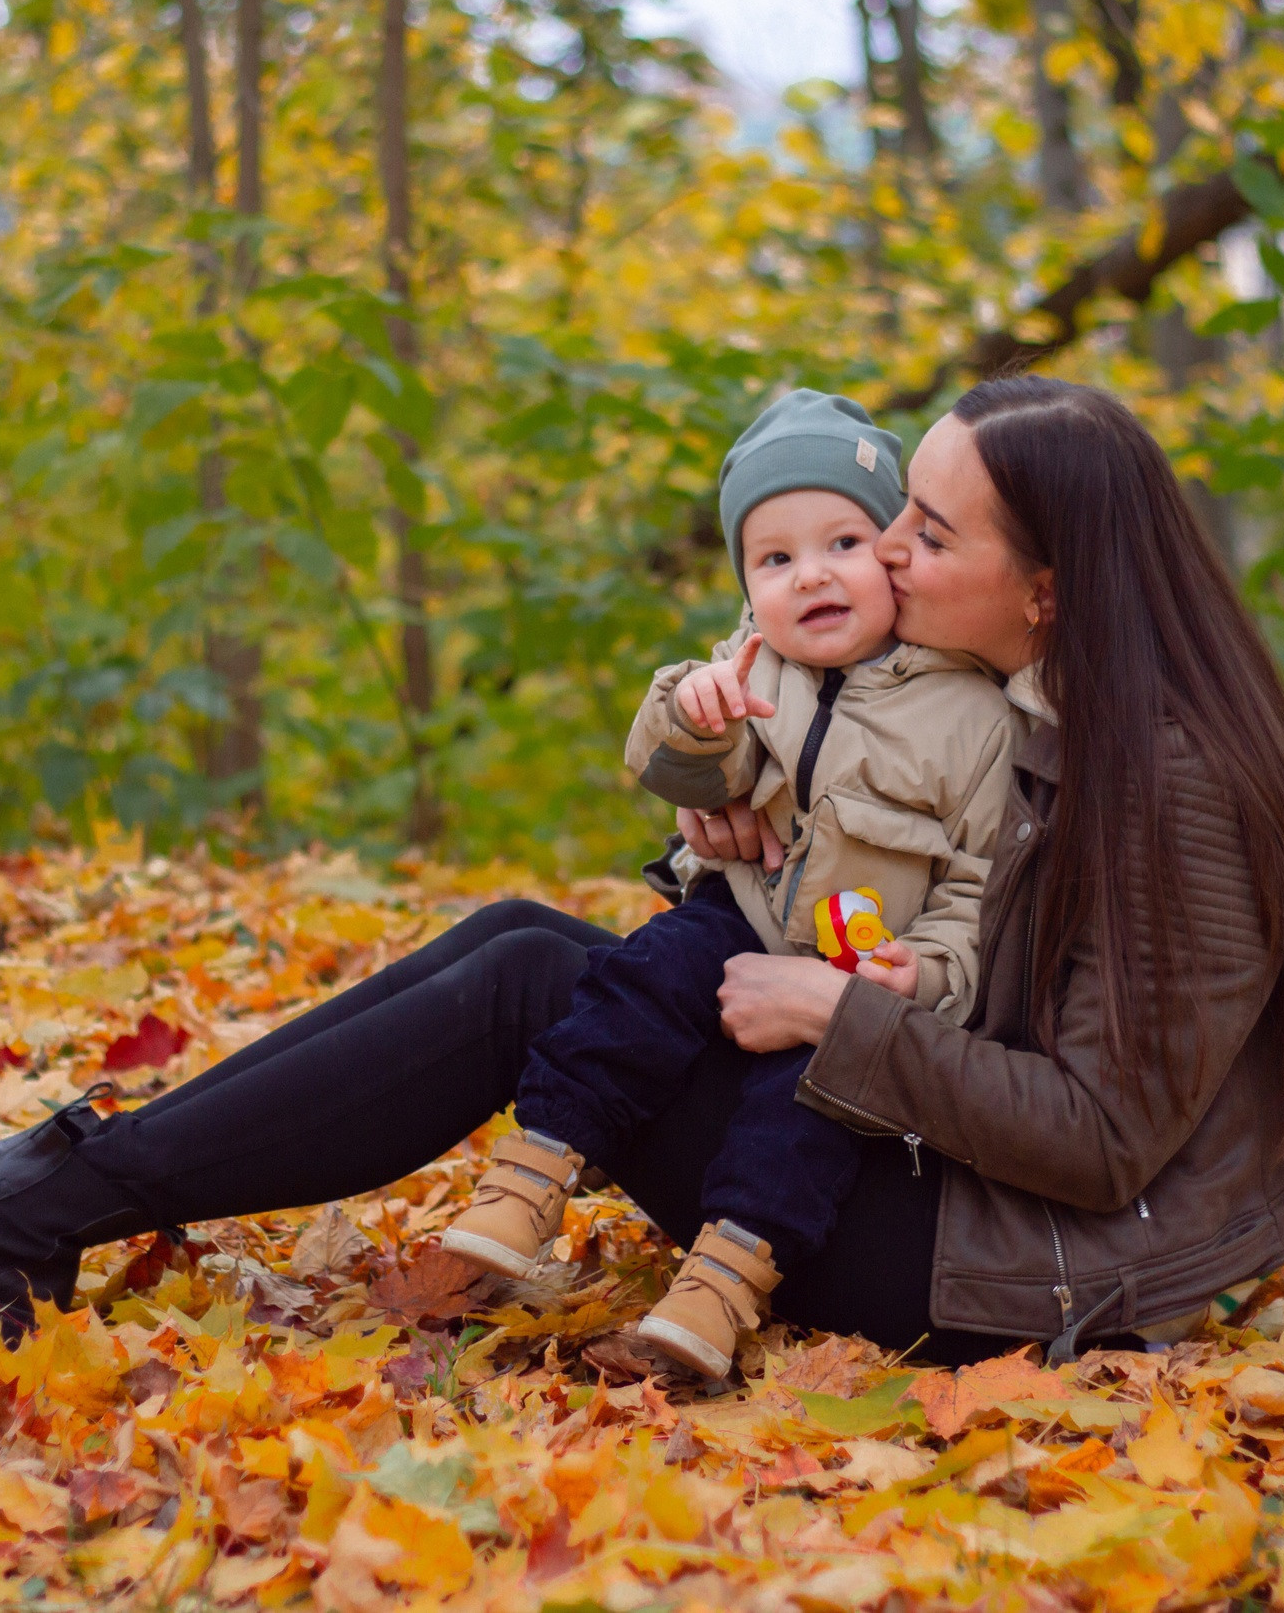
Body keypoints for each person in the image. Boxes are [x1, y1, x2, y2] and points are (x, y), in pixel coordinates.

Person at [0, 374, 1284, 1377]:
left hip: (1001, 1257)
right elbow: (886, 868)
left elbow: (1101, 1136)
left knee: (533, 980)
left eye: (923, 537)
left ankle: (24, 1214)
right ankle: (23, 1186)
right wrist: (723, 833)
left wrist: (830, 1010)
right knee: (534, 937)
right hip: (916, 1145)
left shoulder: (1175, 797)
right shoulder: (1022, 702)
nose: (874, 559)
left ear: (1051, 591)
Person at [434, 390, 1025, 1378]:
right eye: (776, 559)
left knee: (807, 1118)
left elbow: (973, 894)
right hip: (735, 919)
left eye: (842, 541)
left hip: (851, 976)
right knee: (634, 982)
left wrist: (916, 977)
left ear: (892, 555)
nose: (812, 576)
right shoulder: (754, 667)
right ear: (749, 586)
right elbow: (682, 769)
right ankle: (531, 1175)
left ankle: (721, 1286)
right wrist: (693, 719)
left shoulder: (970, 716)